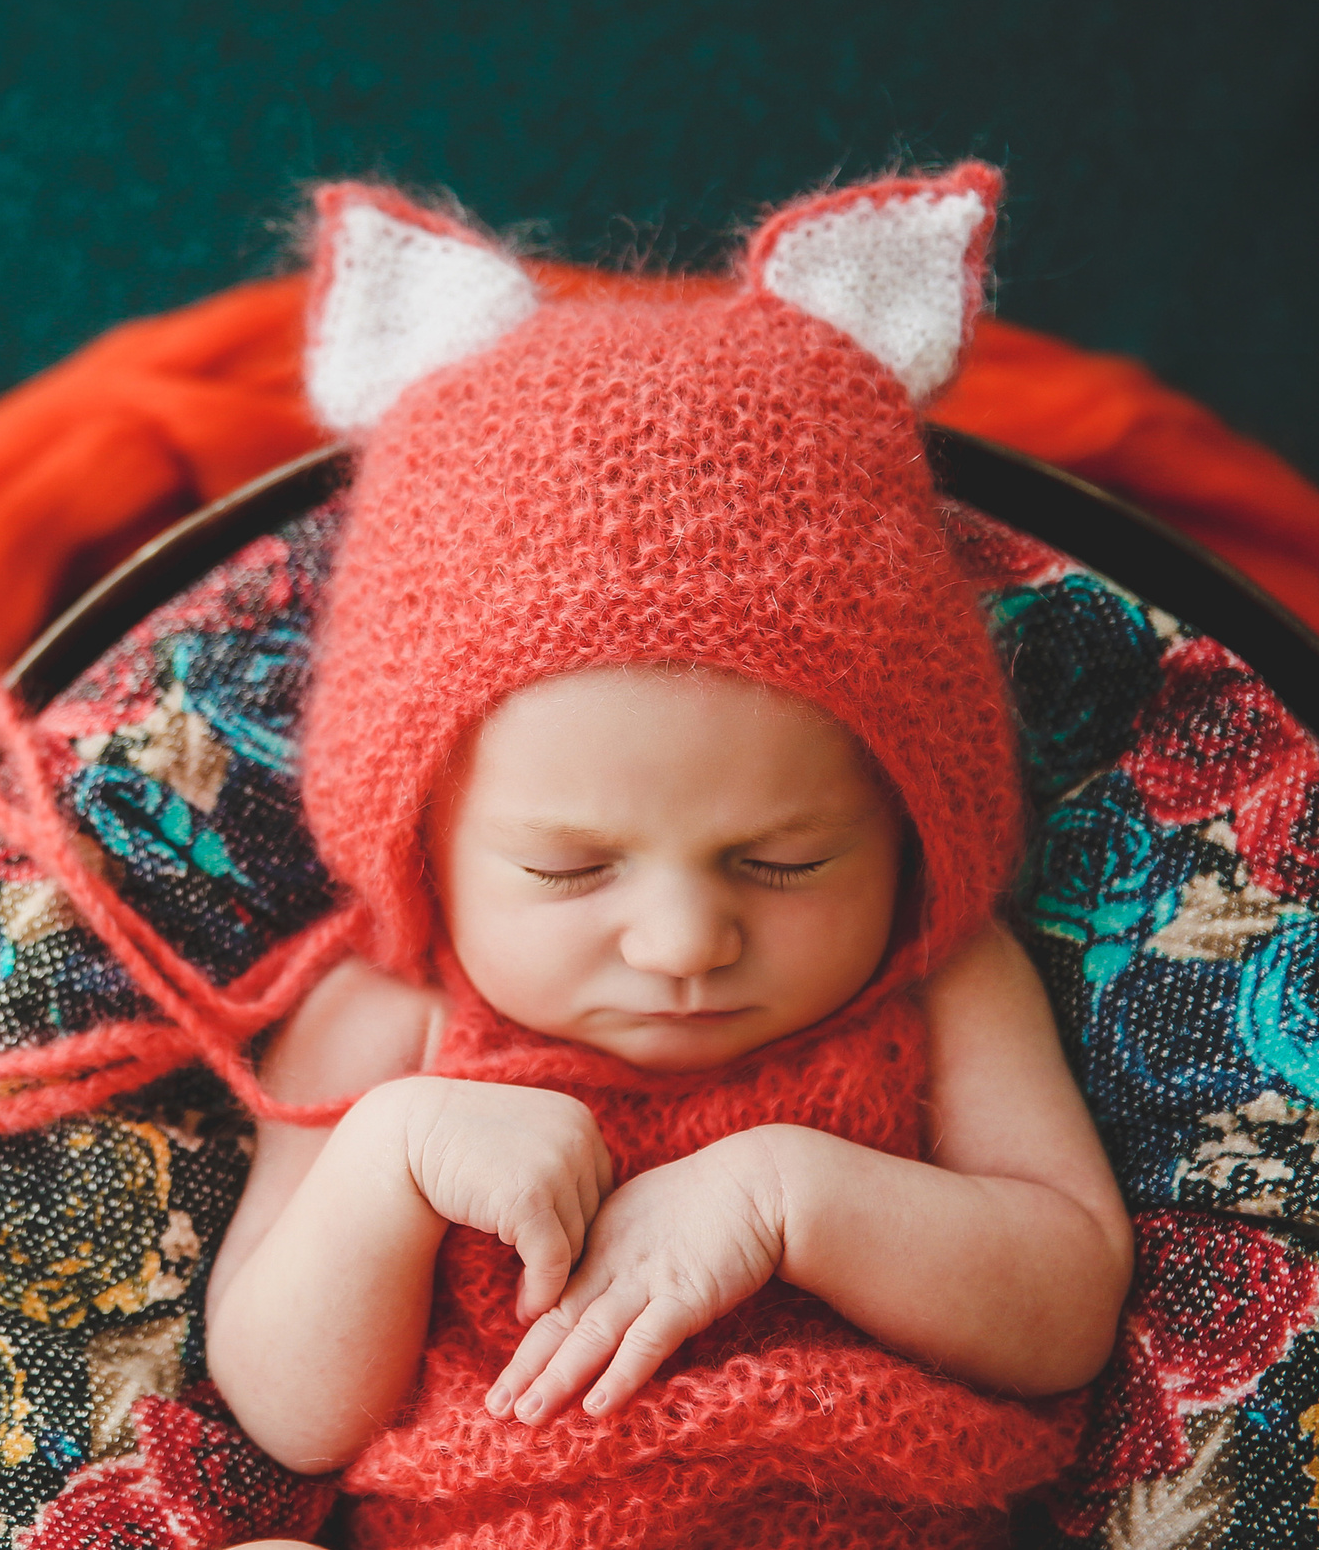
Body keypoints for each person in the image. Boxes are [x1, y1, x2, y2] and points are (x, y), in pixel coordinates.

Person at [201, 168, 1133, 1548]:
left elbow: (1063, 1318)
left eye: (785, 864)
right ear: (424, 854)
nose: (685, 942)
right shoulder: (389, 1022)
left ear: (913, 827)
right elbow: (291, 1414)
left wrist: (795, 1195)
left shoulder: (941, 989)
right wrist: (388, 1164)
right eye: (573, 873)